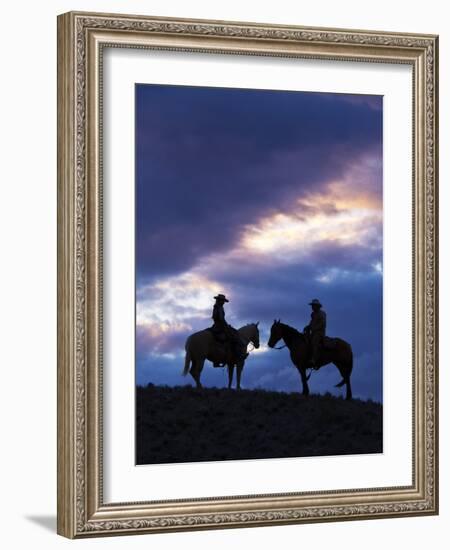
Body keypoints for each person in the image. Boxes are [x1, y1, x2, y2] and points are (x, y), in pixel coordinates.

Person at [211, 294, 247, 367]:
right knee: (234, 336)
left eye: (223, 301)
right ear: (219, 300)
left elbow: (216, 318)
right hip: (220, 326)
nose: (223, 302)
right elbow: (221, 319)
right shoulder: (219, 307)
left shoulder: (217, 307)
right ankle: (237, 355)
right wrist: (226, 325)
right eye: (222, 301)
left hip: (217, 325)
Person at [303, 298, 326, 370]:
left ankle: (314, 359)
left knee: (314, 341)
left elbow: (322, 324)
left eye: (313, 306)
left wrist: (314, 329)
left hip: (319, 333)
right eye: (312, 306)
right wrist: (308, 327)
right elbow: (311, 322)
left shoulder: (322, 314)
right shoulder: (313, 314)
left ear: (317, 306)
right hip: (313, 332)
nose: (312, 307)